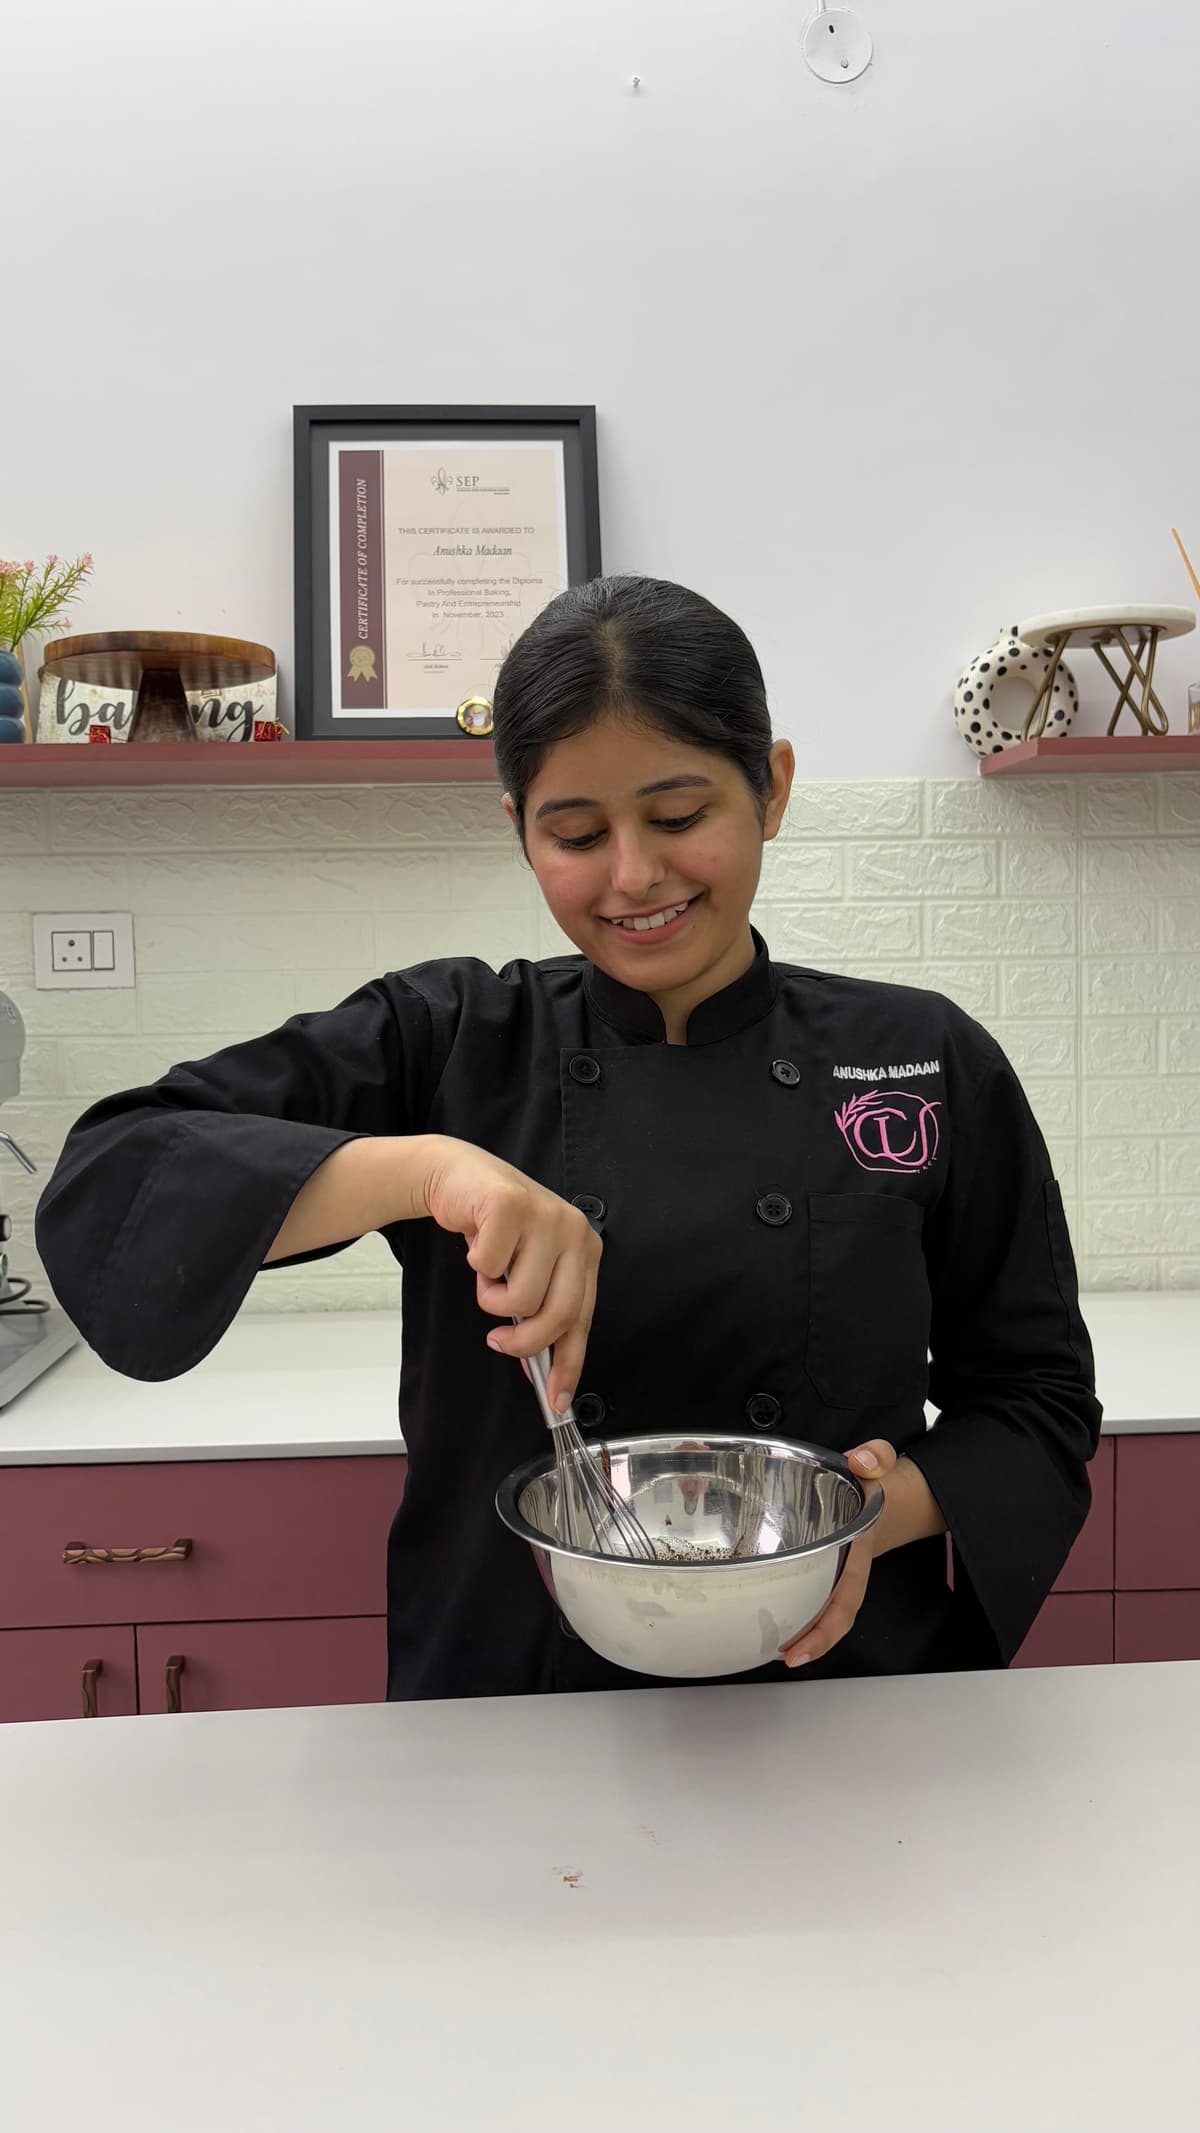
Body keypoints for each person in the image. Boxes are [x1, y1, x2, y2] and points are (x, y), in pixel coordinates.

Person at [35, 575, 1101, 1700]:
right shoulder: (447, 1040)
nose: (634, 876)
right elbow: (116, 1172)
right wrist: (428, 1171)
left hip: (840, 1688)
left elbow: (1037, 1404)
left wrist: (872, 1523)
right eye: (577, 833)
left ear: (773, 789)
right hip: (510, 1695)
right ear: (516, 827)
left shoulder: (924, 1056)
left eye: (681, 817)